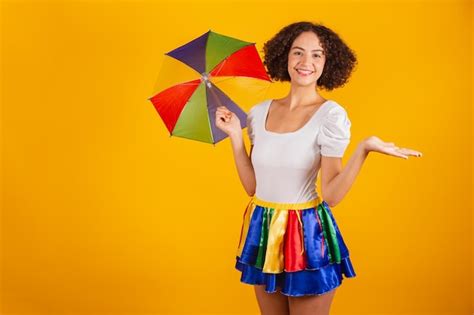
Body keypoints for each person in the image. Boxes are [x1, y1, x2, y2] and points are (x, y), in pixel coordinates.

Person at [215, 21, 422, 315]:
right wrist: (236, 137)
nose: (306, 62)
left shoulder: (331, 116)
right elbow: (253, 188)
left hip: (306, 235)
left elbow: (333, 195)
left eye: (317, 55)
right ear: (284, 56)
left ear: (328, 62)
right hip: (263, 229)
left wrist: (363, 149)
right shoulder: (257, 114)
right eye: (298, 52)